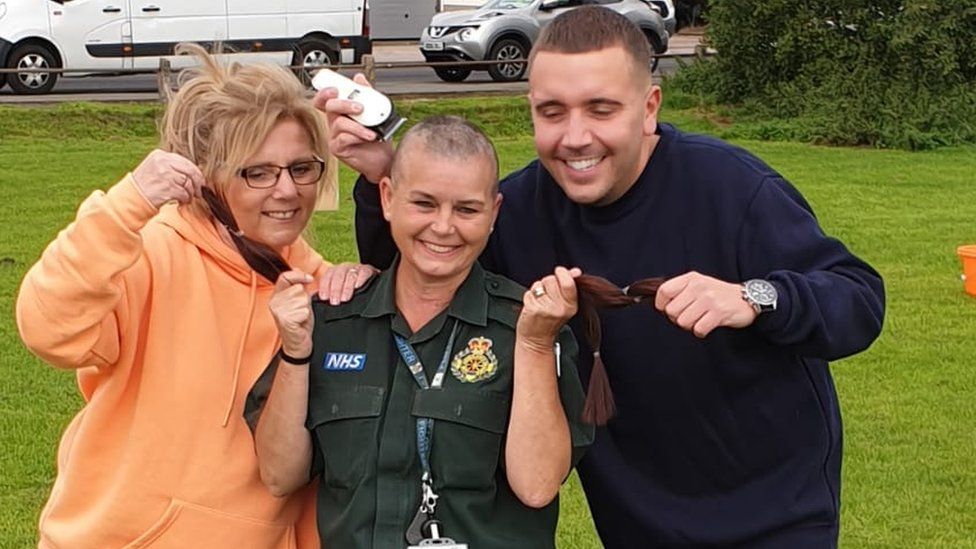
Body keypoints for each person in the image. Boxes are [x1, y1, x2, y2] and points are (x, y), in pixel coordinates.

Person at [320, 7, 886, 548]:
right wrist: (378, 182)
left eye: (601, 109)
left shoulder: (730, 188)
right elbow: (431, 274)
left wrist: (755, 298)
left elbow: (858, 299)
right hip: (633, 521)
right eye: (552, 111)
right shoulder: (517, 210)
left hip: (773, 520)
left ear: (648, 108)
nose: (575, 137)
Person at [14, 45, 370, 548]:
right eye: (258, 172)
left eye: (301, 168)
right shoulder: (151, 252)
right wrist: (125, 206)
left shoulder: (320, 290)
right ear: (209, 178)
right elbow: (48, 329)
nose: (287, 191)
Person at [245, 116, 593, 549]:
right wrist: (296, 354)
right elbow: (280, 475)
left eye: (466, 209)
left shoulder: (527, 327)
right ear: (388, 198)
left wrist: (536, 344)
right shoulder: (332, 322)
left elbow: (537, 484)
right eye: (424, 204)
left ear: (493, 214)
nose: (444, 227)